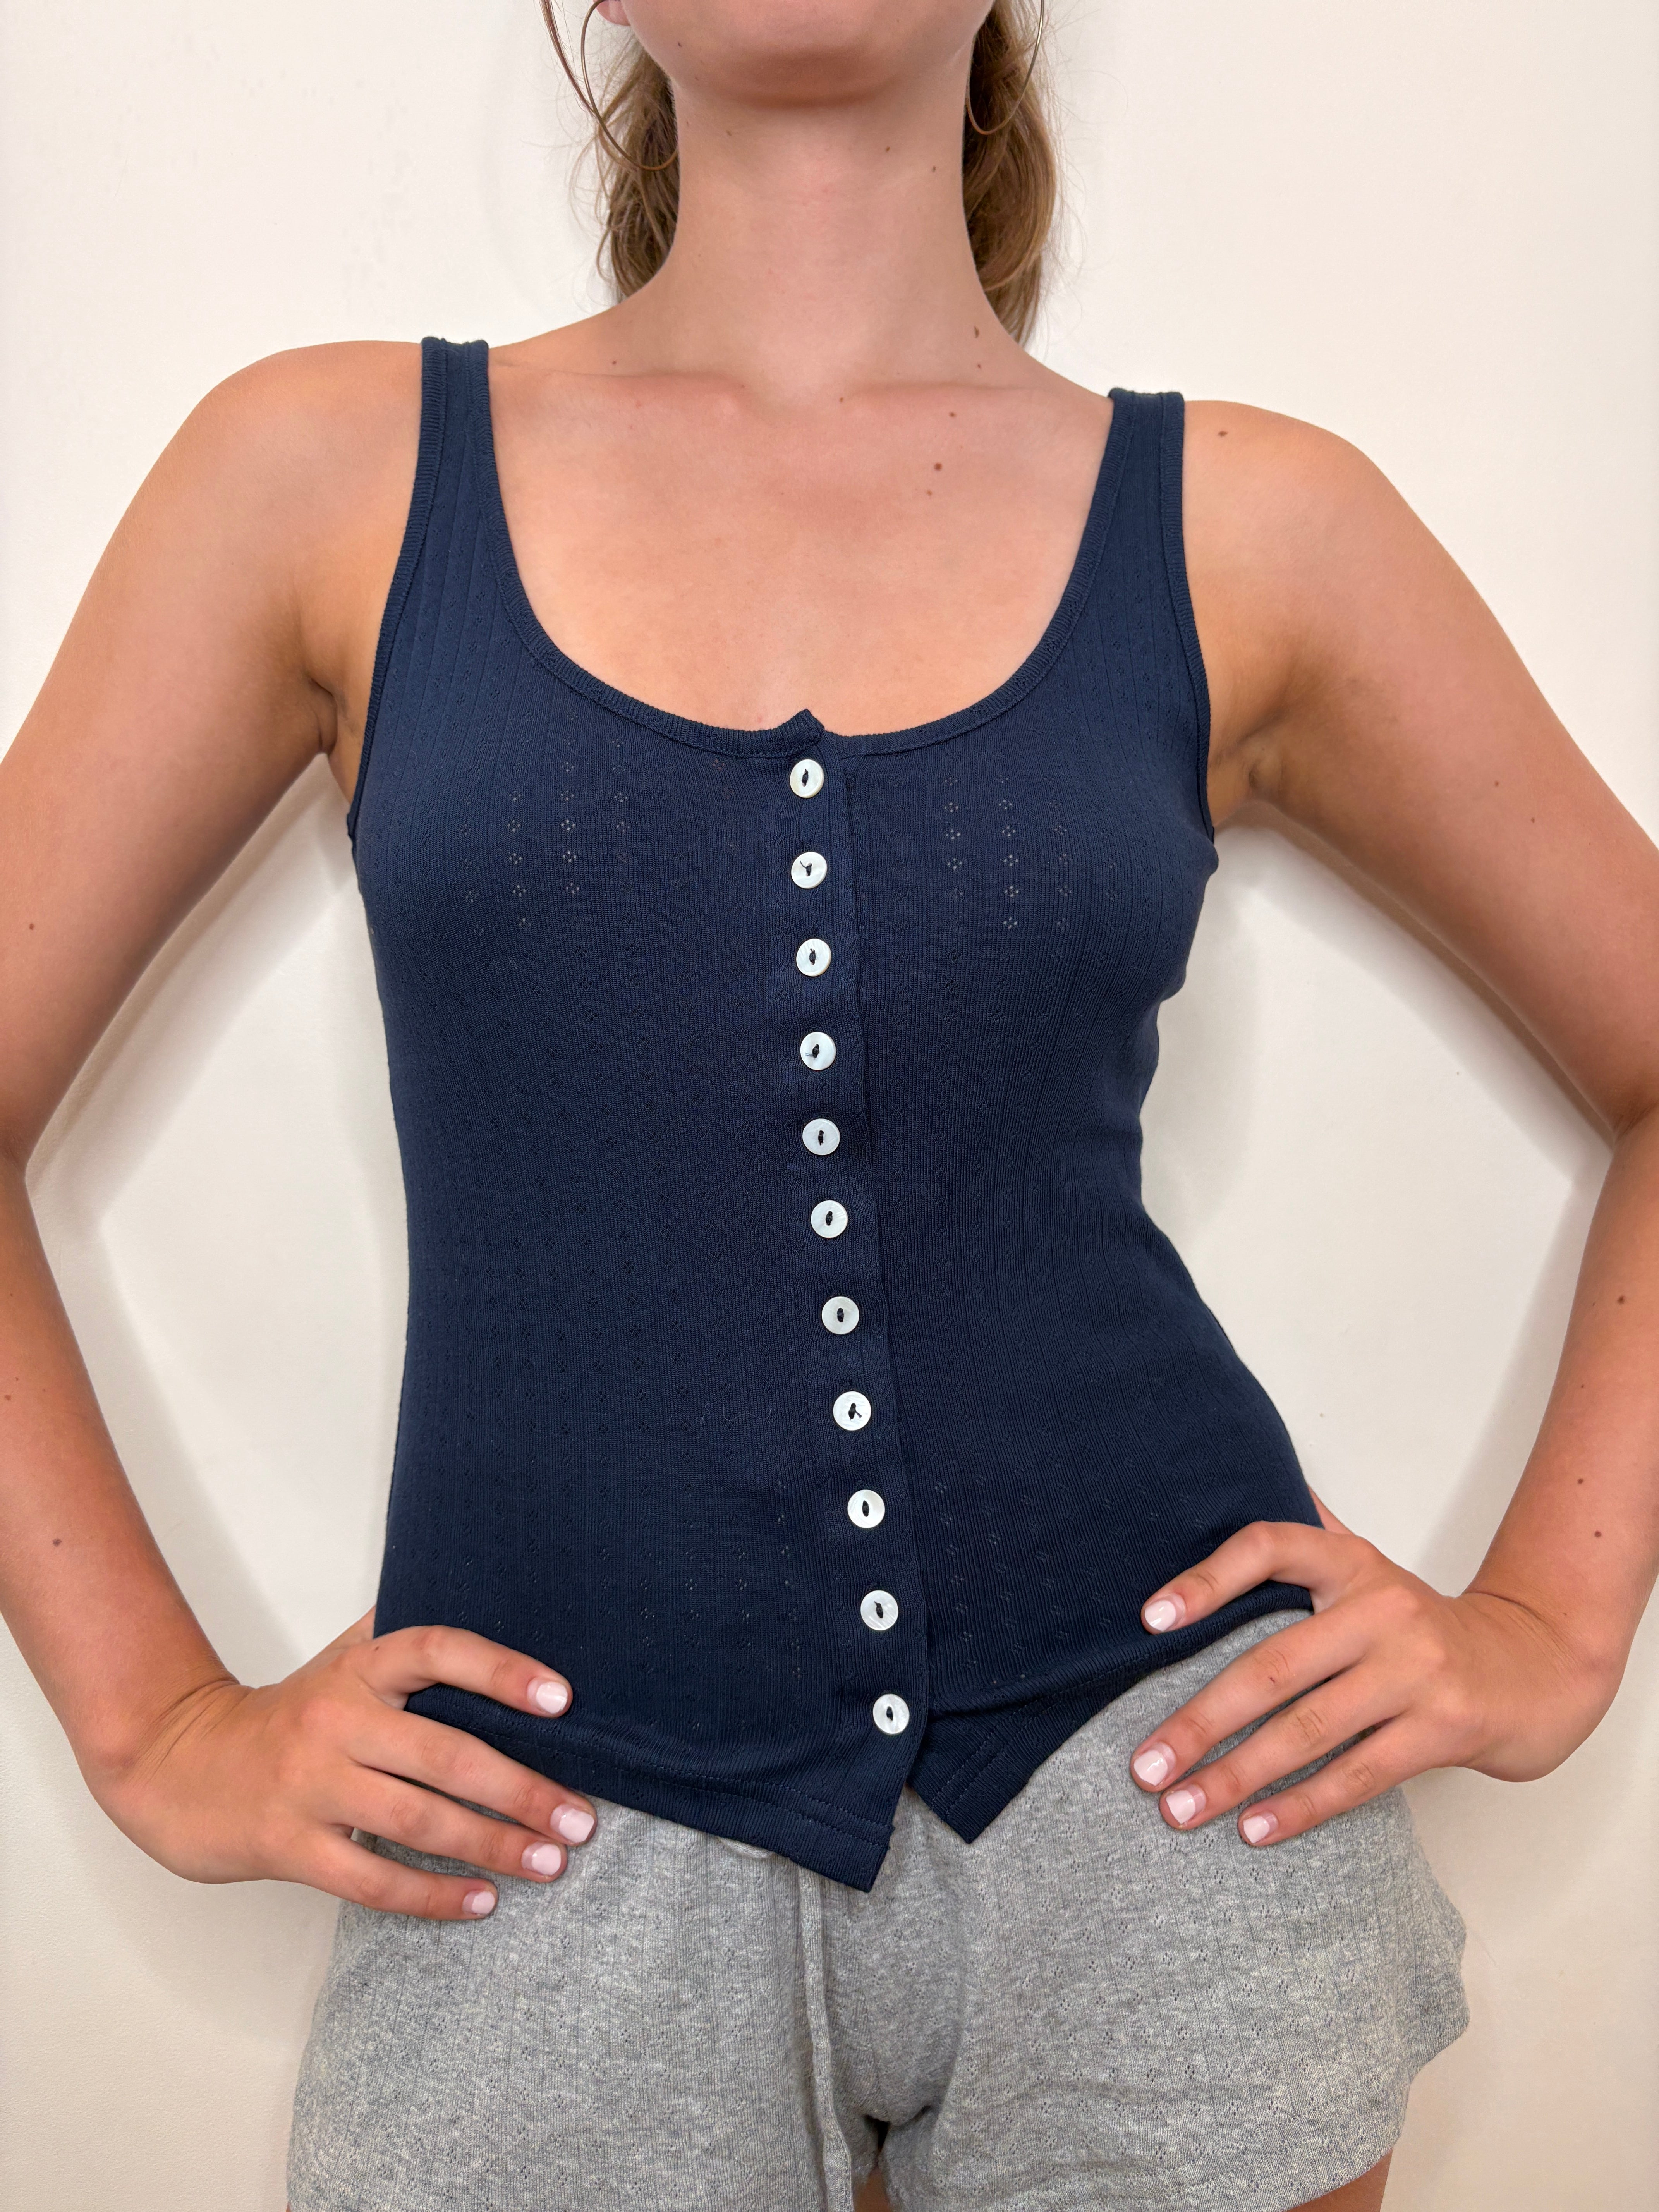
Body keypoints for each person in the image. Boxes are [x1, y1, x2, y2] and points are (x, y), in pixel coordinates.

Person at [2, 3, 1656, 2207]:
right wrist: (153, 1725)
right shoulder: (324, 478)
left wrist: (1552, 1629)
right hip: (535, 1820)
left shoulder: (1259, 525)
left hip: (1171, 1793)